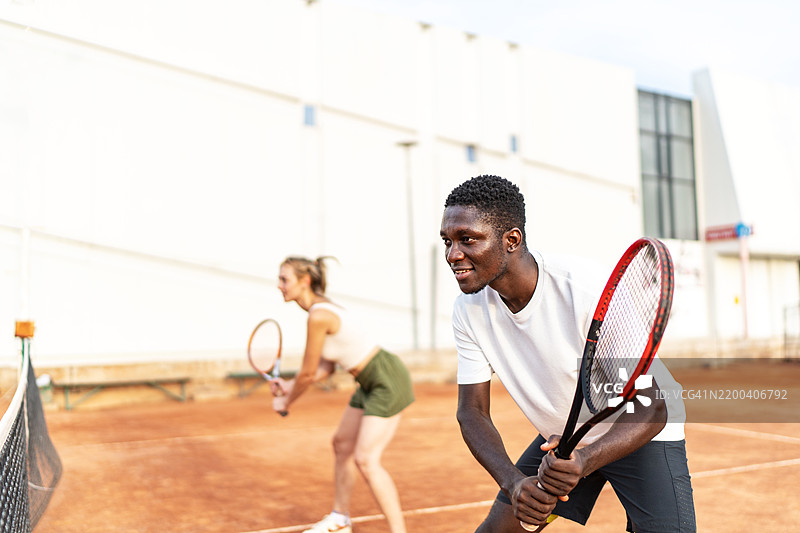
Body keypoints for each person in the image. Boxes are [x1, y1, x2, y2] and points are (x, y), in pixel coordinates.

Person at [439, 175, 696, 532]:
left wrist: (587, 459)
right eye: (447, 241)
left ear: (511, 240)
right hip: (564, 439)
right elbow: (472, 412)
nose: (453, 254)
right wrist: (514, 484)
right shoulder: (468, 310)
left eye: (467, 240)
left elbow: (652, 406)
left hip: (636, 432)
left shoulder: (585, 290)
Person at [270, 256, 415, 533]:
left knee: (366, 460)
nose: (279, 285)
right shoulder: (322, 310)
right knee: (341, 444)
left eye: (284, 279)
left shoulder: (318, 315)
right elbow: (326, 366)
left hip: (386, 377)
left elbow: (309, 374)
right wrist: (288, 386)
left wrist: (286, 400)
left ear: (305, 281)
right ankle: (340, 519)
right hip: (368, 380)